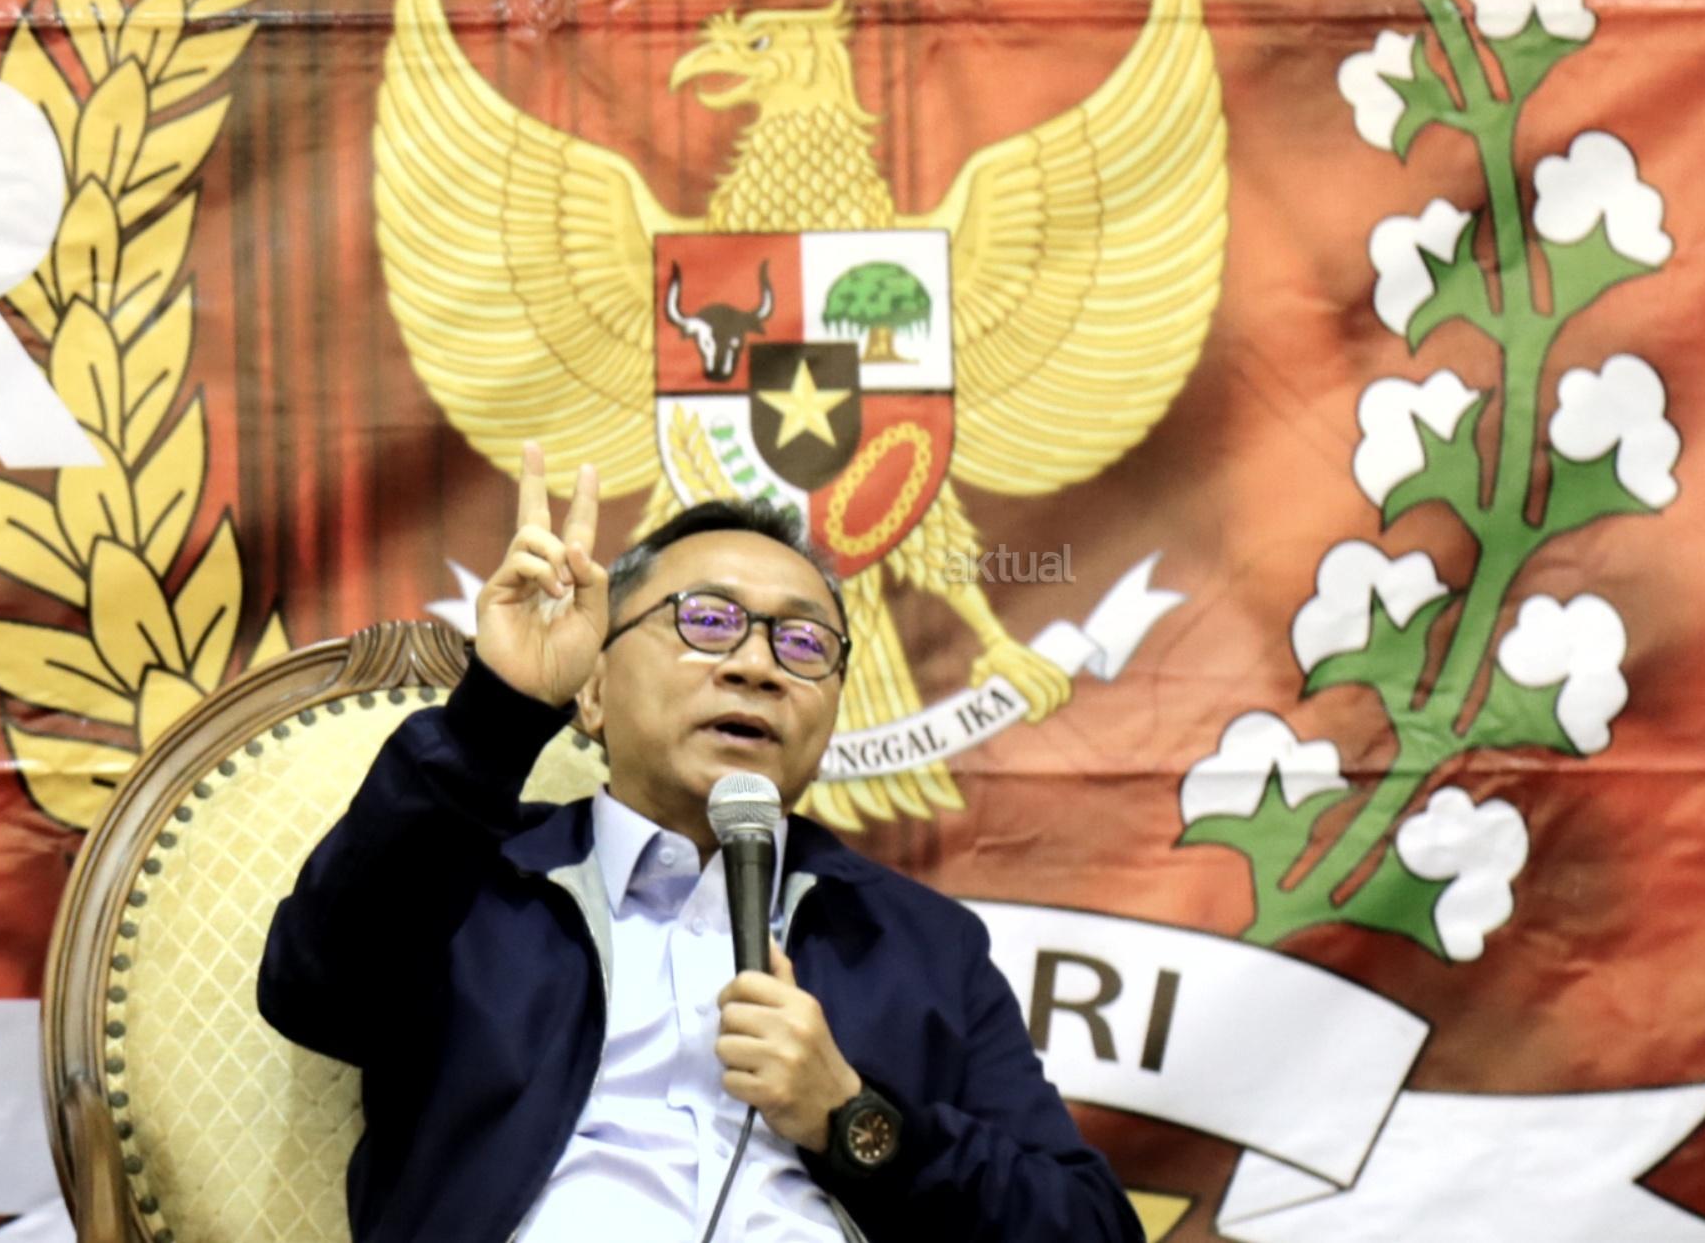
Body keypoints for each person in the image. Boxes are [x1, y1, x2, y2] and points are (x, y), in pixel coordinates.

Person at [257, 444, 1143, 1243]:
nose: (756, 665)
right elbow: (315, 990)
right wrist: (498, 715)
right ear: (594, 690)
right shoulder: (469, 884)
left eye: (802, 641)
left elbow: (1089, 1227)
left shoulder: (920, 945)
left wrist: (851, 1118)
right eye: (707, 621)